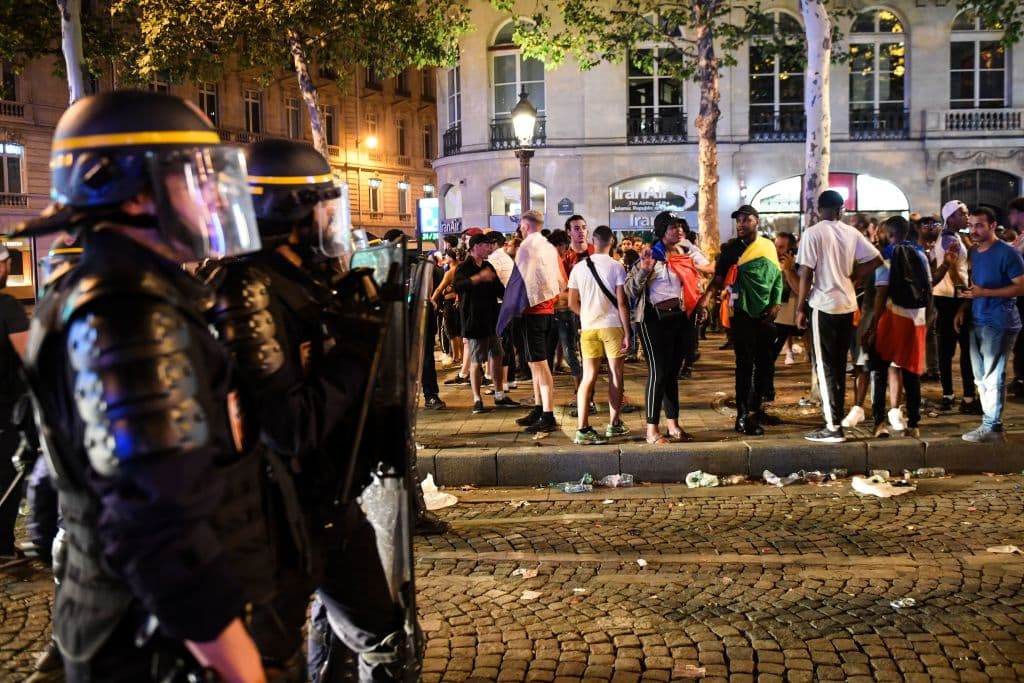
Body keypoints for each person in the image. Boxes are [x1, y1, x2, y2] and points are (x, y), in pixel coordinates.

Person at [19, 90, 269, 681]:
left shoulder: (125, 287)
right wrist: (238, 664)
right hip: (151, 645)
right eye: (194, 178)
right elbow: (155, 526)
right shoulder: (129, 310)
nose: (212, 196)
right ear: (127, 189)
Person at [796, 190, 882, 443]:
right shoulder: (852, 232)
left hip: (823, 306)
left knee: (824, 368)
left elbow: (806, 273)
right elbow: (876, 259)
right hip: (846, 305)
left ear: (819, 209)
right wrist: (853, 279)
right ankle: (834, 420)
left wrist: (801, 308)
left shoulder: (813, 233)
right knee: (839, 366)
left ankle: (833, 427)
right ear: (840, 209)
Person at [695, 204, 782, 435]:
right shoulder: (731, 249)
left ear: (757, 221)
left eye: (746, 219)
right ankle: (743, 416)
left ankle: (756, 409)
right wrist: (706, 299)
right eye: (738, 220)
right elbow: (718, 278)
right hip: (741, 314)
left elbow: (777, 278)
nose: (741, 224)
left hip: (765, 314)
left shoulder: (767, 247)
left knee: (764, 364)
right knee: (744, 364)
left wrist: (776, 304)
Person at [625, 211, 700, 444]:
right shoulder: (649, 256)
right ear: (661, 231)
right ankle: (651, 430)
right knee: (658, 373)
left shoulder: (684, 255)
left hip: (680, 319)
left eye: (679, 226)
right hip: (653, 321)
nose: (677, 230)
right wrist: (644, 270)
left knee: (671, 374)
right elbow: (630, 291)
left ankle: (673, 425)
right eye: (671, 227)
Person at [955, 207, 1024, 442]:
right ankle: (989, 424)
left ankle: (992, 426)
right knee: (981, 377)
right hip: (977, 318)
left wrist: (986, 293)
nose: (974, 230)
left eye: (980, 225)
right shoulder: (974, 253)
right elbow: (974, 285)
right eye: (972, 225)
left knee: (993, 376)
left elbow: (1021, 286)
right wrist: (964, 307)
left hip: (1000, 321)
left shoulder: (1008, 253)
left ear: (993, 226)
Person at [864, 216, 931, 438]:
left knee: (879, 371)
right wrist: (925, 321)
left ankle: (879, 423)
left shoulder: (886, 257)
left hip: (892, 320)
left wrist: (873, 327)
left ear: (889, 234)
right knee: (911, 374)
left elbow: (881, 293)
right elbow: (928, 291)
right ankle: (913, 424)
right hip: (916, 321)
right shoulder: (921, 255)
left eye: (882, 232)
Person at [567, 225, 631, 444]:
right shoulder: (617, 267)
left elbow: (571, 303)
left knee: (588, 377)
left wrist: (586, 315)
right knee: (615, 374)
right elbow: (622, 302)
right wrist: (628, 331)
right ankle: (614, 424)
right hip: (612, 326)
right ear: (612, 242)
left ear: (593, 241)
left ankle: (582, 428)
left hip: (588, 328)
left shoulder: (578, 267)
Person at [509, 209, 563, 433]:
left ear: (526, 225)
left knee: (539, 364)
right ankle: (540, 407)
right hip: (546, 311)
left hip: (534, 312)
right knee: (534, 363)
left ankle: (548, 414)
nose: (521, 229)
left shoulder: (528, 246)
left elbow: (518, 280)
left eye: (522, 225)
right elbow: (560, 280)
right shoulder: (549, 248)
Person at [454, 233, 520, 413]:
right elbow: (457, 286)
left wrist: (512, 299)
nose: (488, 248)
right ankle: (477, 399)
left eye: (489, 245)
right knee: (476, 361)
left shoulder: (488, 265)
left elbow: (499, 289)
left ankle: (499, 394)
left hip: (492, 320)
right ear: (475, 247)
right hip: (474, 321)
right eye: (484, 245)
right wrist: (477, 279)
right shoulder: (464, 268)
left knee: (497, 355)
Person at [933, 200, 979, 413]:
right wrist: (965, 292)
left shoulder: (957, 236)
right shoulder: (948, 238)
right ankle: (961, 396)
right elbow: (951, 269)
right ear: (950, 217)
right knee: (956, 347)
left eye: (967, 213)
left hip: (950, 296)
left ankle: (953, 394)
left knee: (952, 348)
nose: (967, 217)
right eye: (963, 213)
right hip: (950, 298)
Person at [0, 245, 28, 560]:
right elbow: (30, 356)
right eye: (6, 263)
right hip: (5, 412)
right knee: (6, 476)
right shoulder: (7, 307)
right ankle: (2, 547)